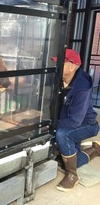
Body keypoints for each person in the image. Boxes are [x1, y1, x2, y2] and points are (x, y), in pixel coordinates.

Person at [51, 48, 99, 192]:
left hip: (86, 125)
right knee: (71, 160)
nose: (56, 66)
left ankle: (72, 176)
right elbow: (38, 81)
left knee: (61, 134)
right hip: (70, 122)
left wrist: (50, 124)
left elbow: (75, 122)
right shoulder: (59, 76)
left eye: (60, 63)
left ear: (72, 66)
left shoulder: (82, 85)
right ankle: (95, 149)